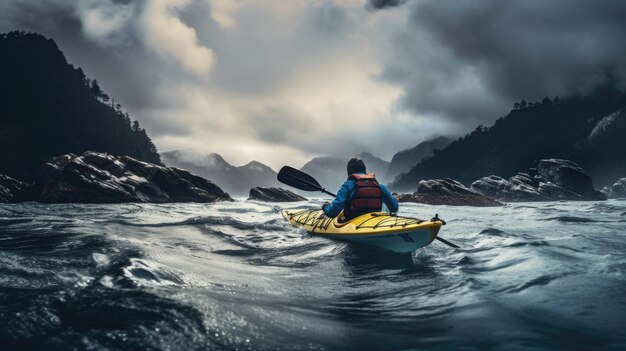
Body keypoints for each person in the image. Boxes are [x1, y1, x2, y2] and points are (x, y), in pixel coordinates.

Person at [322, 157, 399, 221]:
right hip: (376, 220)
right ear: (364, 170)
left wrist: (325, 207)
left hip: (353, 223)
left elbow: (332, 213)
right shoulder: (380, 186)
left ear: (349, 172)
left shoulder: (347, 186)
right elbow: (394, 207)